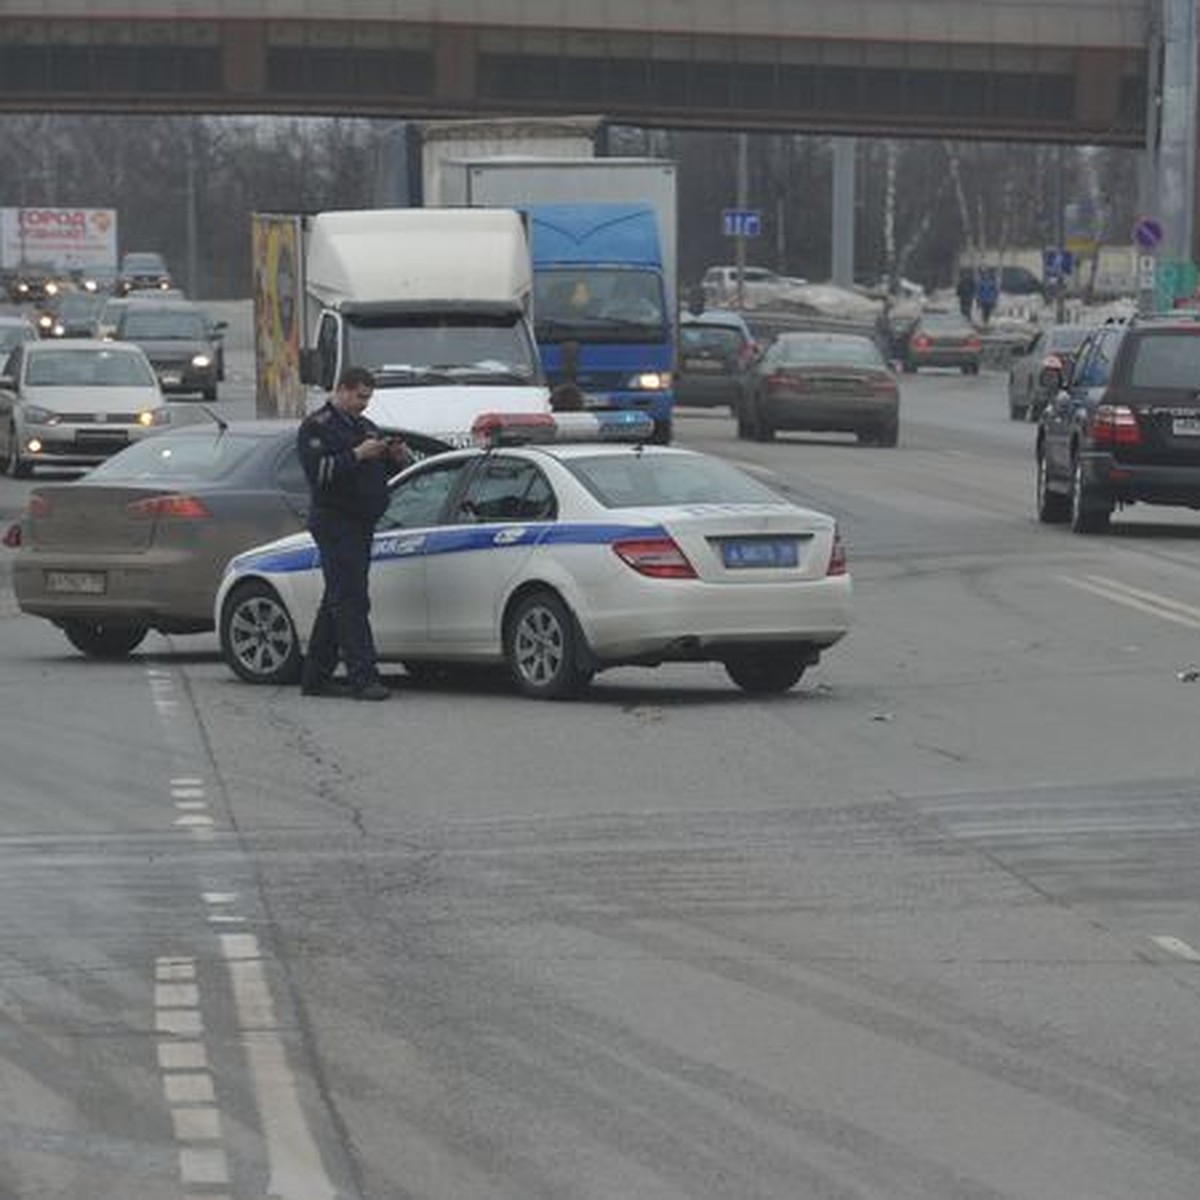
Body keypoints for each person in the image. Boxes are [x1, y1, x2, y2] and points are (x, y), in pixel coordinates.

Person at [296, 366, 408, 700]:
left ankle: (315, 677)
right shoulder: (317, 426)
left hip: (362, 522)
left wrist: (392, 457)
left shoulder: (365, 426)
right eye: (360, 397)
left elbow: (377, 471)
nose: (364, 404)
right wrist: (358, 454)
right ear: (342, 390)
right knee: (352, 599)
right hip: (335, 521)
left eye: (369, 398)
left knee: (337, 599)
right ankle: (363, 677)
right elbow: (320, 472)